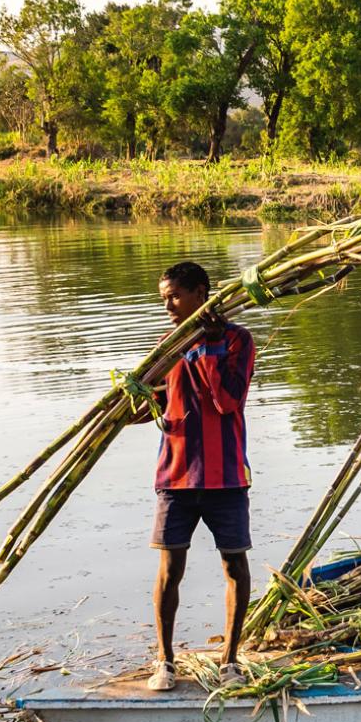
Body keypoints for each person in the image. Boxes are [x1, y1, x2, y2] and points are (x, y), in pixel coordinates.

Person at [140, 261, 257, 691]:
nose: (168, 306)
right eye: (164, 298)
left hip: (226, 475)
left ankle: (230, 662)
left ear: (200, 293)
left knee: (234, 565)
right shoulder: (166, 345)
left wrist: (208, 347)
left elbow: (228, 402)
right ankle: (165, 661)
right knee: (169, 569)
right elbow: (152, 405)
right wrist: (128, 401)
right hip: (176, 475)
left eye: (174, 296)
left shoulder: (237, 341)